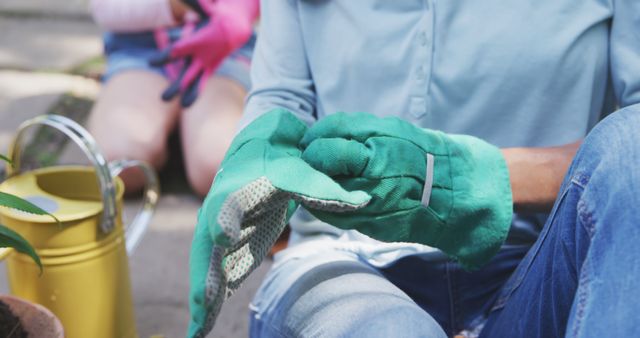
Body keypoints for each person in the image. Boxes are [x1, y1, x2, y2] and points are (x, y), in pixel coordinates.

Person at [218, 1, 639, 338]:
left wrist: (463, 179)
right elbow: (282, 100)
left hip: (540, 270)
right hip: (344, 263)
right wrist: (254, 160)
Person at [87, 0, 258, 196]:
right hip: (141, 51)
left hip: (224, 49)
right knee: (118, 165)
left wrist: (242, 9)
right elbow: (104, 7)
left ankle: (186, 139)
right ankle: (174, 137)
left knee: (224, 171)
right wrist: (175, 6)